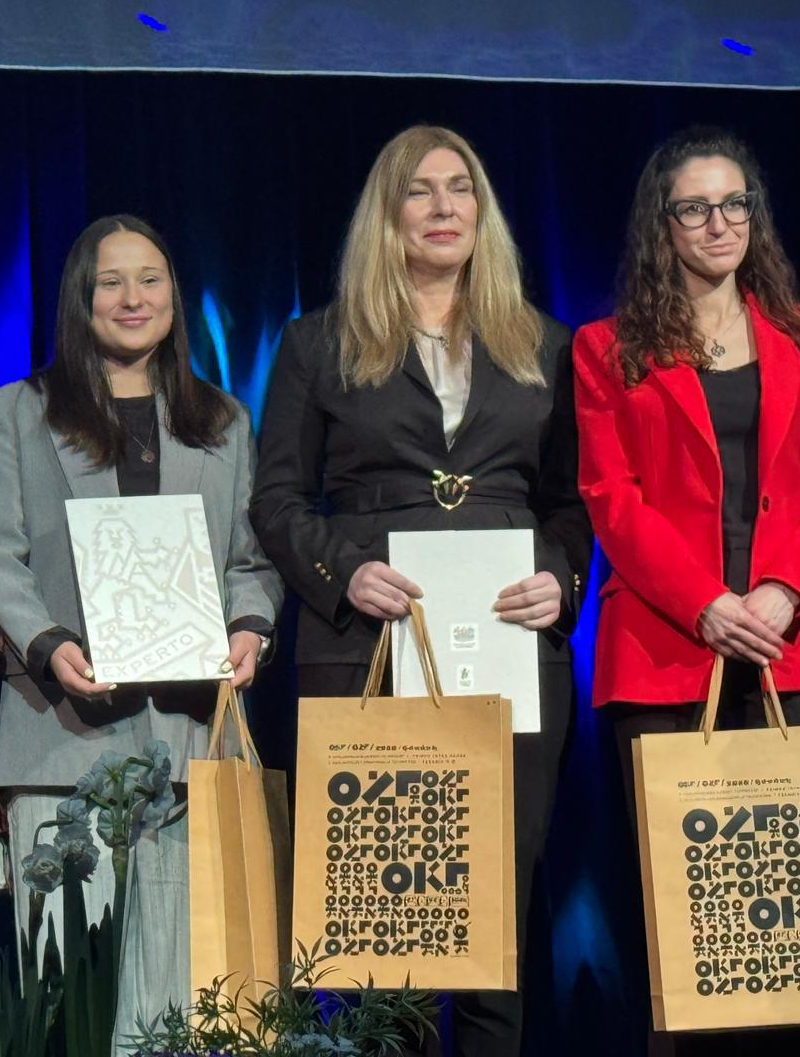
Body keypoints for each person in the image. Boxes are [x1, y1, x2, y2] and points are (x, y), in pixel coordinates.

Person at [250, 125, 591, 1057]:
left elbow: (573, 503)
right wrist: (344, 572)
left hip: (509, 651)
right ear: (386, 214)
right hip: (366, 644)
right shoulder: (319, 342)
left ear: (484, 211)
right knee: (386, 932)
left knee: (494, 923)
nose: (444, 207)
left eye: (460, 188)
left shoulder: (546, 344)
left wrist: (562, 579)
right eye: (420, 190)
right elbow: (276, 500)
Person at [0, 213, 281, 1050]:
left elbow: (249, 559)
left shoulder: (223, 421)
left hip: (190, 740)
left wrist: (250, 629)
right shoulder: (16, 414)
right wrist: (45, 643)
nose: (133, 298)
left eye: (150, 279)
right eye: (111, 282)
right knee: (72, 1006)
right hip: (62, 736)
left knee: (189, 1004)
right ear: (81, 298)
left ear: (175, 296)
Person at [573, 126, 800, 1056]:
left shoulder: (799, 335)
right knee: (687, 931)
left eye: (735, 203)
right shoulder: (606, 348)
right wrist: (707, 603)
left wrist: (786, 587)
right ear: (660, 225)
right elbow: (611, 497)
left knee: (784, 926)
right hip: (665, 655)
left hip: (789, 647)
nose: (720, 224)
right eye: (695, 208)